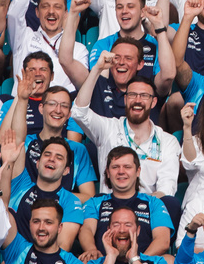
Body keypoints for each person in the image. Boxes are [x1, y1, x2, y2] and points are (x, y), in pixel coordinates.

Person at [72, 71, 181, 212]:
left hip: (148, 211)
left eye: (144, 96)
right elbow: (79, 112)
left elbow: (166, 189)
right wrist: (97, 69)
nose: (137, 100)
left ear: (153, 102)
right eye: (132, 95)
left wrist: (139, 208)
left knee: (171, 204)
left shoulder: (168, 141)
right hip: (110, 210)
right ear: (125, 99)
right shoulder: (108, 129)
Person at [0, 68, 97, 201]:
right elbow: (16, 138)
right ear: (41, 108)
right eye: (52, 104)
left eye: (64, 106)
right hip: (23, 211)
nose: (58, 110)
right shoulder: (26, 142)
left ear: (69, 114)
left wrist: (50, 196)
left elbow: (89, 196)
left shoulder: (78, 150)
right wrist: (22, 99)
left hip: (62, 213)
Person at [79, 147, 174, 260]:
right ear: (108, 173)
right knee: (83, 261)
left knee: (170, 261)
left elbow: (163, 240)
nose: (121, 171)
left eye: (127, 167)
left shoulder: (153, 203)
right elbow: (86, 230)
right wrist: (91, 249)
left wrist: (137, 262)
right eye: (115, 167)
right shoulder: (95, 202)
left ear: (138, 171)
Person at [3, 136, 86, 250]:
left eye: (59, 157)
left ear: (66, 170)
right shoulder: (22, 185)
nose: (51, 159)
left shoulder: (70, 201)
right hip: (12, 259)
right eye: (47, 154)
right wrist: (8, 160)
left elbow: (63, 246)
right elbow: (18, 134)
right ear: (37, 163)